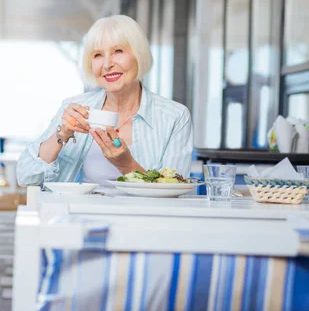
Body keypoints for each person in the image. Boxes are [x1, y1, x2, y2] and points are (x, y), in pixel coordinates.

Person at [17, 15, 193, 189]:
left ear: (139, 55)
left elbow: (176, 192)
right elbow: (26, 177)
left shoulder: (174, 116)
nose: (107, 64)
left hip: (143, 217)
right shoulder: (75, 109)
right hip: (78, 216)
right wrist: (61, 135)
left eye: (118, 51)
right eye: (98, 55)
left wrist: (126, 165)